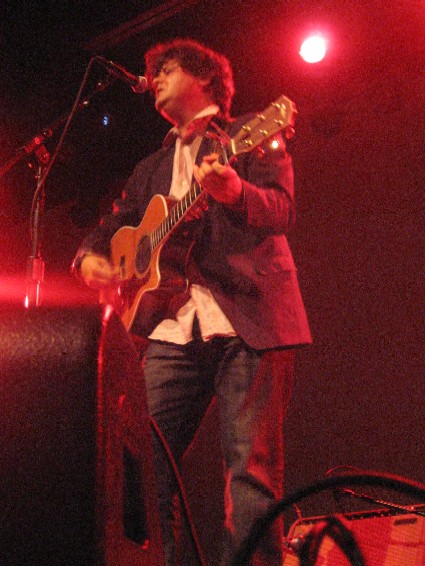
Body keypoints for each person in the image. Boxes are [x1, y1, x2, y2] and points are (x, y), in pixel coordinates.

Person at [72, 38, 311, 566]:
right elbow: (115, 223)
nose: (154, 78)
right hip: (171, 328)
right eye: (152, 72)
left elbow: (282, 211)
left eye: (167, 69)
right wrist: (90, 256)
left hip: (248, 318)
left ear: (205, 79)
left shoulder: (250, 131)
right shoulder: (150, 169)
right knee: (141, 463)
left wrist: (235, 193)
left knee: (250, 472)